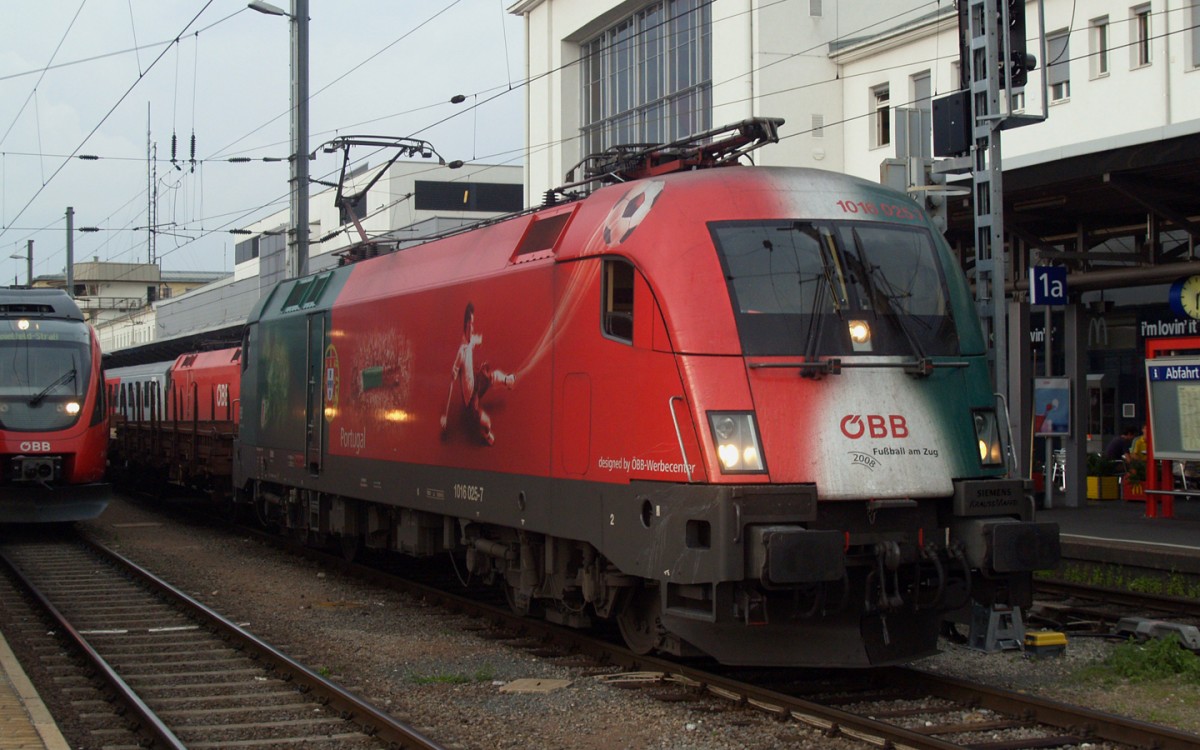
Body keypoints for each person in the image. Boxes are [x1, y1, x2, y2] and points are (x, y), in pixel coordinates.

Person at [440, 302, 515, 445]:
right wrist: (445, 416)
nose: (473, 327)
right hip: (471, 398)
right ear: (466, 326)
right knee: (487, 422)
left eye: (473, 323)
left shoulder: (471, 340)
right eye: (471, 324)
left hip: (476, 380)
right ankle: (485, 434)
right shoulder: (460, 353)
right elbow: (451, 385)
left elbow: (478, 339)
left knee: (492, 375)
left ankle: (507, 381)